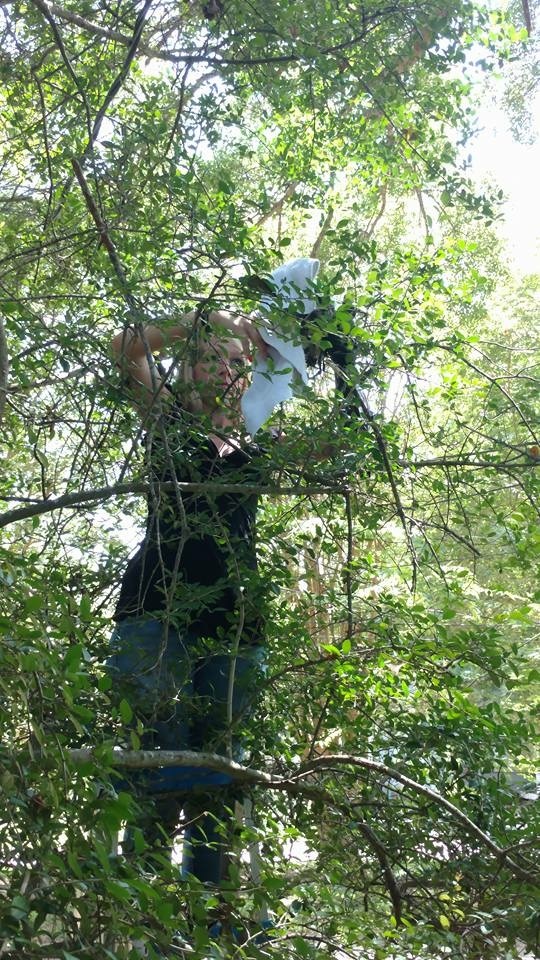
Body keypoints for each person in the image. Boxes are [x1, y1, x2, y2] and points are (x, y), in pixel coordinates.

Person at [109, 306, 271, 890]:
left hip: (234, 626)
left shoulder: (260, 439)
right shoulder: (167, 417)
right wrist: (199, 322)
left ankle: (212, 927)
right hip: (156, 612)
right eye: (213, 360)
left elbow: (340, 450)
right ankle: (137, 924)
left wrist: (319, 350)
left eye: (236, 363)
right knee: (153, 771)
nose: (226, 372)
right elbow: (123, 347)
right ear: (191, 370)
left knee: (217, 791)